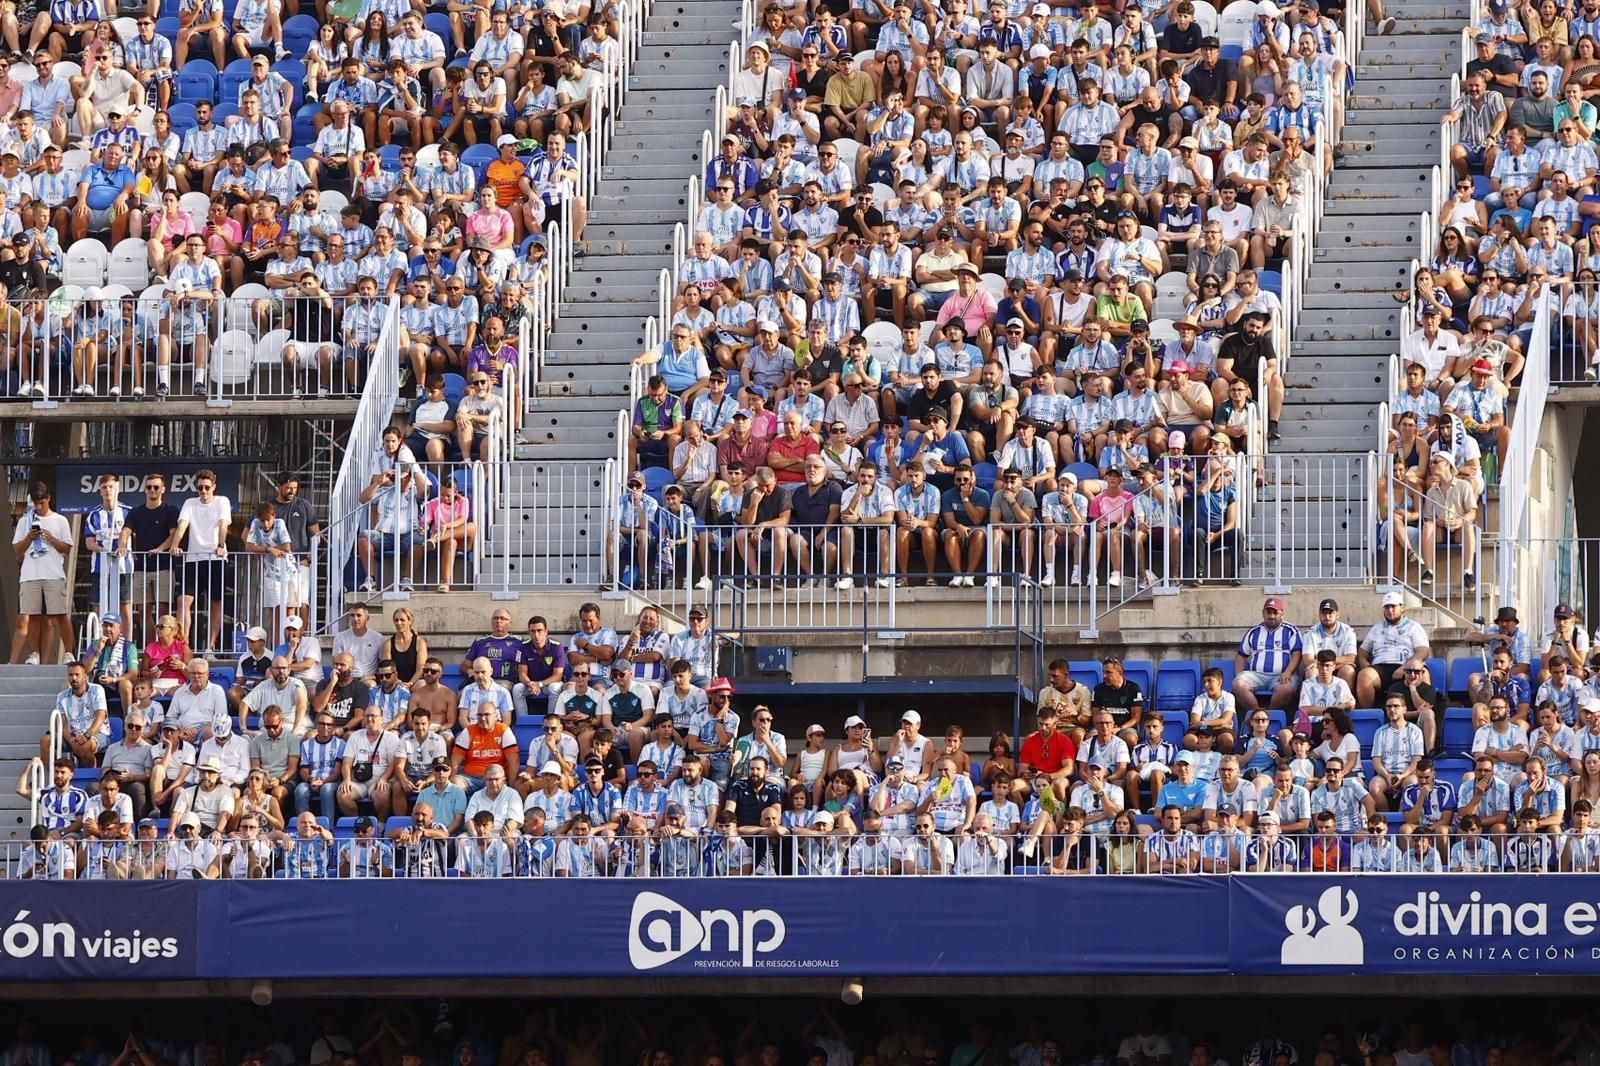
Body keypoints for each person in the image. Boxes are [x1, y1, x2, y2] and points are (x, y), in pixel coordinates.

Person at [10, 482, 72, 665]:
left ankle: (67, 653)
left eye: (42, 503)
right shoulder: (25, 521)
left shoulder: (60, 520)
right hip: (30, 575)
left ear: (49, 499)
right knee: (32, 616)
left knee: (55, 617)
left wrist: (51, 539)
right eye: (36, 503)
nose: (38, 507)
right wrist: (29, 538)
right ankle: (35, 654)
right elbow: (17, 551)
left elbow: (67, 548)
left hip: (53, 574)